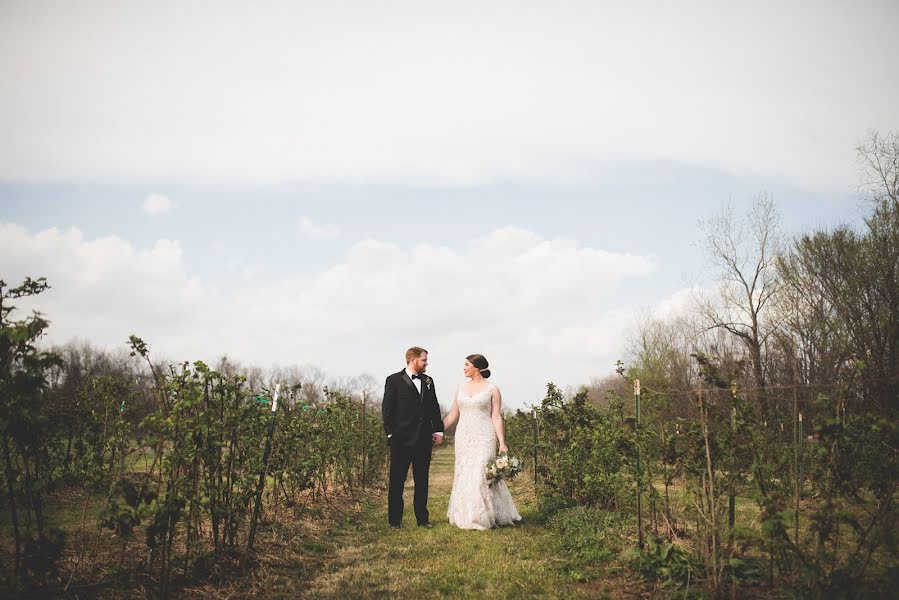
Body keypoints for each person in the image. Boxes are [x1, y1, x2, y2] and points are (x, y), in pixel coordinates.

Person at [443, 353, 521, 530]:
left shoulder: (492, 389)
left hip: (484, 435)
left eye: (466, 365)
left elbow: (496, 417)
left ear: (476, 368)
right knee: (465, 473)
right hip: (463, 436)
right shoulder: (460, 389)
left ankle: (484, 515)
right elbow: (452, 415)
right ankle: (466, 514)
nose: (463, 368)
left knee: (481, 473)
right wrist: (437, 430)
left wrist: (502, 442)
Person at [382, 346, 444, 528]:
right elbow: (387, 410)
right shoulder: (393, 380)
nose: (427, 363)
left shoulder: (428, 381)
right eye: (424, 360)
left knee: (422, 480)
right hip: (400, 440)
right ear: (413, 360)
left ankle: (423, 520)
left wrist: (438, 430)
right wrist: (391, 434)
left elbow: (434, 407)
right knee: (396, 481)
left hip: (423, 439)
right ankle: (395, 521)